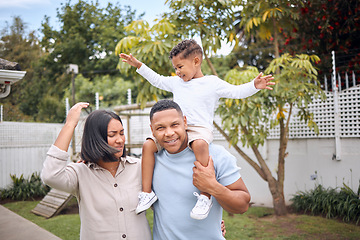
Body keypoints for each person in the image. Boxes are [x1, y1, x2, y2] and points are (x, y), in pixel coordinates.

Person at [120, 39, 274, 219]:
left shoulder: (212, 83)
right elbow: (158, 80)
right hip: (178, 130)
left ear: (196, 61)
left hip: (199, 129)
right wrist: (138, 65)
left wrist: (254, 86)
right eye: (175, 68)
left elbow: (235, 92)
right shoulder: (177, 83)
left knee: (200, 145)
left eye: (180, 67)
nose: (177, 72)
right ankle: (146, 193)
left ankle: (205, 196)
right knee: (148, 145)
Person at [41, 102, 152, 240]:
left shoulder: (139, 167)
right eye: (112, 135)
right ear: (96, 139)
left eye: (122, 133)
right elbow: (50, 175)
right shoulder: (80, 173)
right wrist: (70, 125)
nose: (120, 140)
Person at [149, 99, 250, 239]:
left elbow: (243, 205)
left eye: (174, 125)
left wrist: (212, 186)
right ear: (152, 130)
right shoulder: (151, 162)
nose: (169, 133)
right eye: (160, 128)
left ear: (185, 122)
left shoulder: (216, 155)